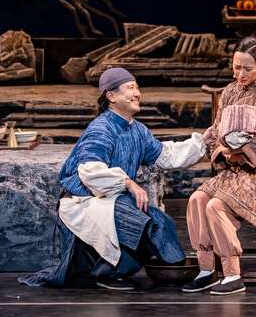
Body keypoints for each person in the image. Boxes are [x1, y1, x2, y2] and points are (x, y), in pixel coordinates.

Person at [20, 67, 205, 290]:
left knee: (159, 220)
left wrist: (204, 142)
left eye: (137, 87)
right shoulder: (101, 128)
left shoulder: (138, 130)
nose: (137, 93)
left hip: (113, 199)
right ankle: (106, 273)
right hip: (85, 200)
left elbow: (166, 155)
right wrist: (128, 183)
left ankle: (175, 267)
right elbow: (89, 170)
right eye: (131, 88)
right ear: (112, 96)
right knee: (140, 221)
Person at [183, 36, 256, 296]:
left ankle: (232, 274)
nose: (240, 74)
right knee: (197, 199)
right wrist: (221, 151)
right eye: (236, 67)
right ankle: (206, 269)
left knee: (216, 205)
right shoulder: (230, 92)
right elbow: (216, 130)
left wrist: (236, 154)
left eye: (247, 69)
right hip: (232, 169)